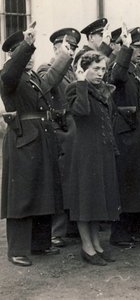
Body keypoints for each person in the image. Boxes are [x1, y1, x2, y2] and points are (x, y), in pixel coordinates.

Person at [1, 24, 71, 266]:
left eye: (31, 53)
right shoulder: (9, 77)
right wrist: (27, 45)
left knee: (43, 189)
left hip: (40, 137)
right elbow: (10, 73)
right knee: (22, 194)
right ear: (13, 54)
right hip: (23, 139)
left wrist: (64, 55)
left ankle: (40, 244)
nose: (30, 58)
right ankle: (17, 250)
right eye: (24, 53)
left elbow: (51, 79)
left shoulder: (32, 78)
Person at [65, 51, 120, 266]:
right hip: (85, 154)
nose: (100, 73)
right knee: (85, 199)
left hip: (102, 151)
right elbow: (81, 111)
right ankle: (86, 247)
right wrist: (80, 82)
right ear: (84, 68)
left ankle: (96, 243)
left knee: (97, 199)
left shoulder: (102, 90)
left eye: (103, 69)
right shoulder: (75, 88)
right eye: (95, 69)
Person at [106, 25, 140, 247]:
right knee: (127, 182)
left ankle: (135, 228)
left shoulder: (137, 70)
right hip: (126, 131)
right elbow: (116, 76)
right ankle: (120, 234)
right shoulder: (119, 66)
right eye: (138, 47)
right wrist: (125, 50)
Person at [37, 28, 81, 248]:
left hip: (74, 129)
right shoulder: (47, 68)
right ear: (55, 48)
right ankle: (56, 231)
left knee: (73, 179)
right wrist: (63, 58)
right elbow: (46, 85)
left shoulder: (72, 72)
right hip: (59, 129)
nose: (70, 51)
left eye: (72, 48)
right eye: (65, 47)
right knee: (60, 180)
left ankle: (71, 227)